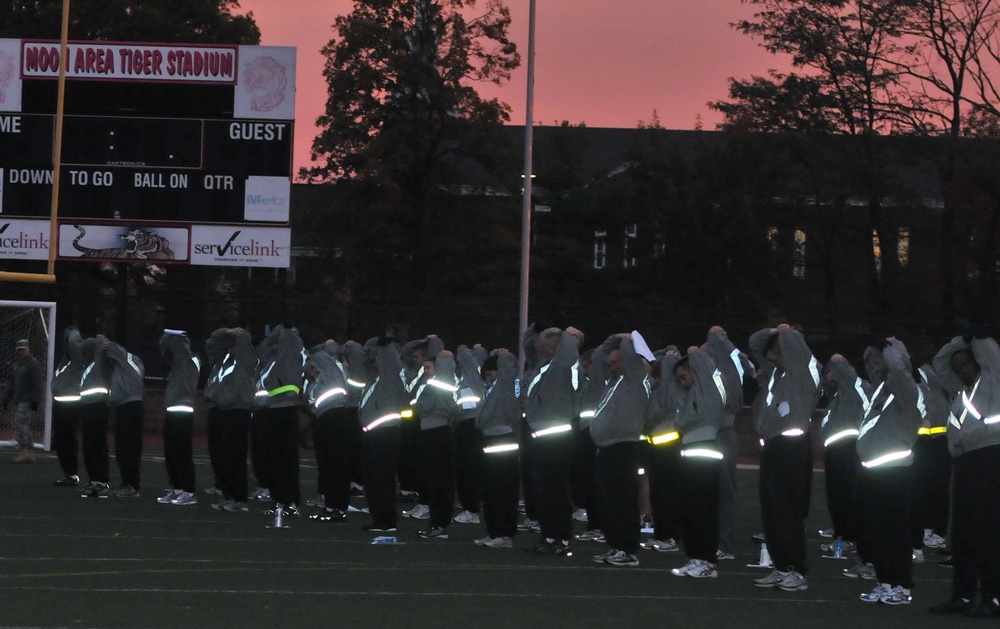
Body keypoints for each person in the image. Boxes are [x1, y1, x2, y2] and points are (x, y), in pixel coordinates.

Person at [930, 330, 1000, 618]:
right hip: (964, 462)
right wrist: (959, 341)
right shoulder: (960, 393)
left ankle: (994, 598)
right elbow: (940, 362)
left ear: (978, 362)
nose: (961, 370)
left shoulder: (993, 380)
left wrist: (976, 340)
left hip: (991, 457)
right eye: (958, 367)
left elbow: (991, 355)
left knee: (988, 531)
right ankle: (962, 594)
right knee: (962, 534)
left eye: (967, 364)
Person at [748, 323, 821, 592]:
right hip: (774, 447)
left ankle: (795, 571)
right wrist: (772, 332)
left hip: (792, 447)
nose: (769, 357)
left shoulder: (804, 371)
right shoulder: (776, 373)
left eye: (776, 351)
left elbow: (795, 350)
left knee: (788, 511)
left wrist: (787, 334)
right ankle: (781, 567)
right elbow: (755, 342)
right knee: (772, 512)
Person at [854, 337, 921, 606]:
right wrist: (874, 349)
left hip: (894, 472)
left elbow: (899, 367)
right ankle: (885, 582)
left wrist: (892, 348)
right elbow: (876, 367)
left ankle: (901, 586)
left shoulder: (907, 390)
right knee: (880, 531)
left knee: (895, 532)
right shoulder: (881, 391)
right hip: (875, 472)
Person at [590, 332, 650, 568]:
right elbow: (598, 356)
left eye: (617, 362)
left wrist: (625, 340)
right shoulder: (614, 383)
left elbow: (629, 353)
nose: (613, 366)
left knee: (623, 499)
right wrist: (612, 340)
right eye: (611, 363)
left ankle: (628, 549)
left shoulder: (636, 378)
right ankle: (616, 545)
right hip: (607, 449)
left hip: (624, 448)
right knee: (609, 501)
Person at [524, 326, 584, 556]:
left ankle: (561, 539)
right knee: (544, 491)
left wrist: (568, 337)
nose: (541, 348)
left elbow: (568, 354)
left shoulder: (565, 365)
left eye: (545, 344)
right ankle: (548, 536)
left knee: (557, 491)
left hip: (557, 438)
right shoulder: (545, 366)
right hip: (541, 437)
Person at [669, 347, 726, 578]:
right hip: (691, 453)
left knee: (703, 511)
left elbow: (705, 367)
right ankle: (695, 557)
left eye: (684, 376)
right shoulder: (691, 394)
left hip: (705, 454)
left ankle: (707, 561)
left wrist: (695, 353)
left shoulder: (708, 389)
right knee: (691, 510)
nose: (681, 383)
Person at [704, 326, 754, 561]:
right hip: (705, 434)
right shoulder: (711, 368)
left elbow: (742, 363)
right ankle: (710, 537)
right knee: (707, 489)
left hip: (722, 433)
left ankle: (724, 544)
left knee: (724, 490)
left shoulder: (733, 363)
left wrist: (720, 339)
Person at [358, 336, 407, 532]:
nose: (374, 361)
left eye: (378, 358)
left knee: (383, 477)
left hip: (386, 433)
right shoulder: (373, 378)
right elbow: (363, 356)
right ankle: (378, 517)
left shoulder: (391, 376)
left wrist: (386, 346)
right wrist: (375, 343)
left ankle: (387, 520)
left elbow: (393, 361)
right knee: (372, 478)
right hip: (372, 433)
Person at [205, 327, 256, 512]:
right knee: (219, 456)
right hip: (219, 411)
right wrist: (225, 331)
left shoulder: (247, 361)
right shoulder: (222, 360)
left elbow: (246, 345)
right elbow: (211, 342)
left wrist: (240, 334)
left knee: (235, 456)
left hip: (237, 411)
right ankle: (228, 494)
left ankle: (240, 498)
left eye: (233, 345)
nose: (230, 348)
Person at [412, 351, 462, 539]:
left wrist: (443, 357)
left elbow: (422, 405)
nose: (426, 371)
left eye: (430, 367)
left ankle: (440, 524)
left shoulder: (444, 381)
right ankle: (436, 522)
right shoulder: (428, 385)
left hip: (439, 434)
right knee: (433, 480)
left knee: (441, 480)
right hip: (429, 433)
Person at [256, 324, 305, 516]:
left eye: (277, 343)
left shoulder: (290, 359)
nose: (273, 347)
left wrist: (269, 398)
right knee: (274, 461)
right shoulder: (275, 360)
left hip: (283, 413)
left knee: (286, 461)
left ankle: (289, 502)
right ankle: (279, 501)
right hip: (272, 413)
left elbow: (290, 388)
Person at [819, 354, 864, 556]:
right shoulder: (838, 395)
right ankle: (841, 535)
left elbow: (845, 375)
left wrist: (837, 362)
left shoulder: (855, 388)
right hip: (836, 450)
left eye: (833, 371)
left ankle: (848, 538)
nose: (830, 375)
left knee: (846, 495)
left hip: (848, 449)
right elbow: (825, 385)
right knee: (836, 497)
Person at [474, 350, 521, 548]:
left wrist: (504, 357)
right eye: (487, 375)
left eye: (492, 373)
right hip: (490, 440)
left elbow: (508, 371)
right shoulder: (490, 390)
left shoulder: (508, 385)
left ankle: (505, 534)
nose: (489, 378)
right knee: (491, 489)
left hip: (504, 439)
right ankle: (494, 532)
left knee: (504, 489)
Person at [304, 340, 354, 521]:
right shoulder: (314, 382)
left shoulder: (333, 370)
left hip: (336, 418)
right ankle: (331, 506)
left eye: (313, 365)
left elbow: (322, 355)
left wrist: (328, 345)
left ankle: (339, 508)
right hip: (324, 421)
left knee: (337, 465)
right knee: (327, 466)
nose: (311, 368)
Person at [641, 347, 684, 553]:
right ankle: (662, 534)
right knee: (659, 494)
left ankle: (670, 536)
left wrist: (669, 360)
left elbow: (653, 415)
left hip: (667, 445)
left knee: (667, 494)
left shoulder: (669, 391)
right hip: (658, 444)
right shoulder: (661, 389)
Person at [158, 330, 200, 506]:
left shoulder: (191, 361)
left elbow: (176, 348)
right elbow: (165, 350)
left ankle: (188, 491)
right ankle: (177, 489)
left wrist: (175, 336)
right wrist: (166, 337)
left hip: (183, 411)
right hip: (172, 410)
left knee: (182, 452)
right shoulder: (177, 364)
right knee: (171, 452)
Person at [103, 337, 145, 497]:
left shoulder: (128, 361)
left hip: (130, 409)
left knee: (129, 448)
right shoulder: (125, 367)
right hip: (124, 408)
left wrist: (102, 341)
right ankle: (127, 483)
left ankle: (132, 485)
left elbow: (115, 349)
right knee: (122, 449)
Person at [78, 336, 113, 497]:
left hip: (98, 408)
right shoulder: (87, 366)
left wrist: (100, 340)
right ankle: (93, 479)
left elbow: (99, 349)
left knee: (98, 445)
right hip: (87, 408)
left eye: (84, 352)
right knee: (88, 445)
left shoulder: (99, 365)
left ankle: (102, 481)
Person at [51, 327, 84, 484]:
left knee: (68, 440)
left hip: (70, 406)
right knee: (60, 441)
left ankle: (72, 473)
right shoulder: (65, 361)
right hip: (59, 404)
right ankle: (68, 473)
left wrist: (71, 332)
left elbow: (74, 343)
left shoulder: (77, 360)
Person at [4, 338, 44, 464]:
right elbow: (11, 383)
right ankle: (26, 450)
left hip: (27, 400)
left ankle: (27, 449)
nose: (21, 352)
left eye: (23, 349)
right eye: (19, 350)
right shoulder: (16, 365)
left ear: (29, 349)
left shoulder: (33, 363)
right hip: (18, 399)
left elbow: (38, 383)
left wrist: (36, 400)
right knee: (19, 424)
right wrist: (6, 398)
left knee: (20, 422)